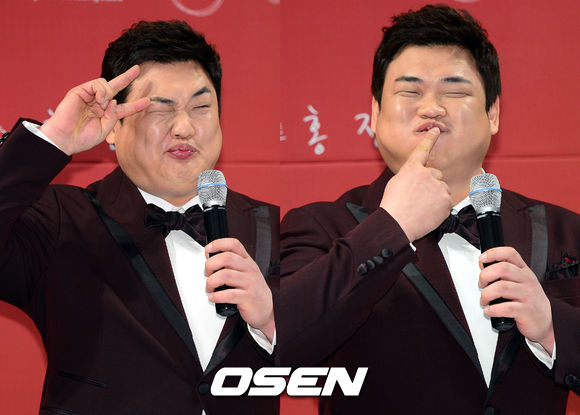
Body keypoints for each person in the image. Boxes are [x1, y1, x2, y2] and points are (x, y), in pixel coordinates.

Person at [280, 5, 579, 414]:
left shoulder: (565, 230)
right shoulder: (320, 226)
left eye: (454, 91)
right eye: (410, 91)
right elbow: (278, 345)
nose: (432, 107)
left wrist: (551, 327)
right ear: (375, 114)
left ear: (493, 114)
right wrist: (392, 227)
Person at [0, 20, 279, 415]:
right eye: (160, 109)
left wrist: (271, 324)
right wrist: (54, 140)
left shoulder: (271, 225)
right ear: (113, 126)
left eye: (201, 107)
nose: (184, 128)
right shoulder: (61, 220)